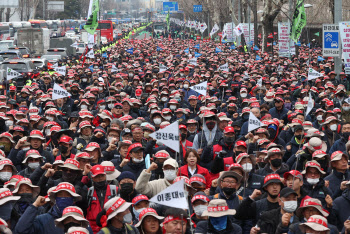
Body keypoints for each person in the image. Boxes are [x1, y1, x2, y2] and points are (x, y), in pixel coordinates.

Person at [15, 182, 81, 234]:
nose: (63, 198)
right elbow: (20, 230)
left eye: (67, 195)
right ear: (55, 198)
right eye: (60, 195)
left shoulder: (81, 221)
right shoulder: (42, 220)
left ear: (73, 199)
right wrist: (34, 206)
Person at [85, 164, 117, 233]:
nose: (100, 178)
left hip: (110, 226)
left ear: (105, 176)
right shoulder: (88, 192)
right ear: (92, 178)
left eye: (102, 176)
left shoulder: (115, 190)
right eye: (97, 176)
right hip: (93, 229)